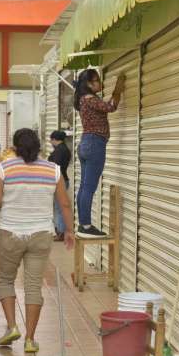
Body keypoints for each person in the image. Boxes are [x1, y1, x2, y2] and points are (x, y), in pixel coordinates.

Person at [0, 128, 75, 353]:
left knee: (6, 279)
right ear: (39, 146)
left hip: (11, 233)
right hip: (41, 234)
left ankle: (12, 326)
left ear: (14, 147)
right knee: (34, 286)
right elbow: (64, 204)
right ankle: (30, 339)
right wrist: (70, 230)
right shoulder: (53, 170)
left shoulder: (3, 169)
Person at [74, 69, 125, 239]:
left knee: (83, 187)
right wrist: (117, 89)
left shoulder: (83, 99)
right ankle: (86, 226)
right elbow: (111, 107)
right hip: (95, 143)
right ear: (88, 84)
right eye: (96, 80)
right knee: (89, 188)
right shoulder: (89, 98)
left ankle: (83, 224)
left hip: (86, 143)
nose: (99, 83)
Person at [48, 130, 71, 242]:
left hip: (59, 181)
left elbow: (55, 166)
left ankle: (61, 232)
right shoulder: (63, 149)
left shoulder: (59, 151)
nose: (50, 141)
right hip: (62, 180)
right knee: (58, 207)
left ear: (55, 139)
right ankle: (59, 229)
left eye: (51, 139)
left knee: (58, 207)